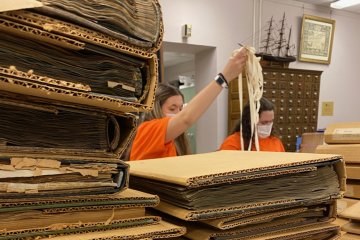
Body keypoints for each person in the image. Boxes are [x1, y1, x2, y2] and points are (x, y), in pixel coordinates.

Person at [129, 48, 248, 160]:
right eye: (172, 108)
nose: (178, 113)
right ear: (155, 108)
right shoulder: (147, 130)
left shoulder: (174, 140)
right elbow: (186, 118)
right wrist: (224, 77)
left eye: (181, 108)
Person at [219, 97, 285, 152]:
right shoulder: (233, 143)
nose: (268, 126)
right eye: (264, 122)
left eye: (271, 122)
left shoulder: (276, 142)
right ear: (250, 121)